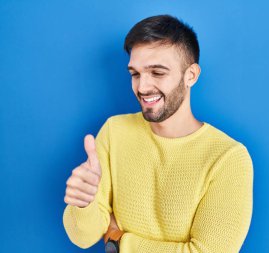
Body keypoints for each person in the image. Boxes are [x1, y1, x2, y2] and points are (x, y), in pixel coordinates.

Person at [62, 14, 254, 253]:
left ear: (191, 75)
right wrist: (84, 203)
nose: (142, 87)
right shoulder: (114, 131)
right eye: (135, 73)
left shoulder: (228, 158)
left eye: (158, 72)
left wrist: (119, 242)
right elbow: (83, 237)